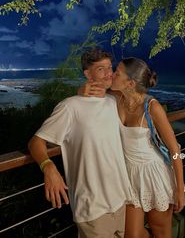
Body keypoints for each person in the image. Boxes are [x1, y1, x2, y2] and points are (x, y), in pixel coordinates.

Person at [28, 49, 132, 238]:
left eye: (110, 67)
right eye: (101, 69)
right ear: (87, 74)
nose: (109, 73)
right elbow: (36, 142)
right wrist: (48, 167)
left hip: (122, 200)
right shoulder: (70, 107)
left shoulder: (112, 101)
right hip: (93, 209)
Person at [82, 57, 185, 238]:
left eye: (117, 72)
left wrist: (179, 189)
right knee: (132, 235)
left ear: (130, 83)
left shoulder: (152, 107)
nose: (112, 74)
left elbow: (174, 150)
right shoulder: (116, 98)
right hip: (129, 177)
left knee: (160, 231)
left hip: (154, 175)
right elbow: (88, 91)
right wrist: (81, 89)